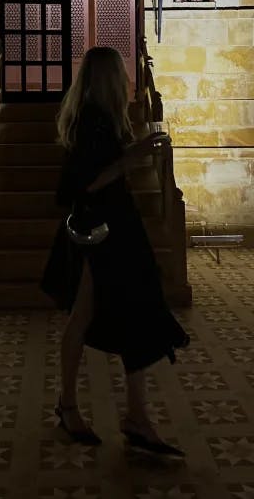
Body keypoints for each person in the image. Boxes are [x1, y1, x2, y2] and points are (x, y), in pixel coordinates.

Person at [40, 46, 190, 456]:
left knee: (133, 313)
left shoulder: (98, 117)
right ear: (106, 78)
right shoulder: (93, 119)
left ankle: (135, 415)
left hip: (113, 226)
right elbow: (88, 181)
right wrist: (136, 156)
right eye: (120, 75)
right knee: (86, 315)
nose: (127, 81)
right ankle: (72, 405)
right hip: (102, 231)